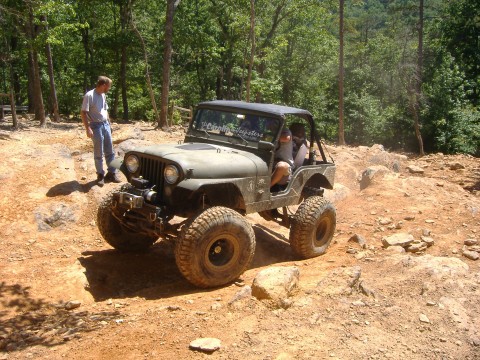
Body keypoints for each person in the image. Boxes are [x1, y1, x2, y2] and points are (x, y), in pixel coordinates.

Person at [81, 76, 121, 186]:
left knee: (110, 150)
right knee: (99, 152)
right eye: (108, 86)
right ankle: (100, 175)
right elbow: (83, 113)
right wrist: (87, 128)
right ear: (103, 85)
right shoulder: (89, 95)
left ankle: (112, 173)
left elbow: (105, 110)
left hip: (105, 124)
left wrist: (109, 124)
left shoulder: (103, 95)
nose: (109, 88)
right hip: (95, 125)